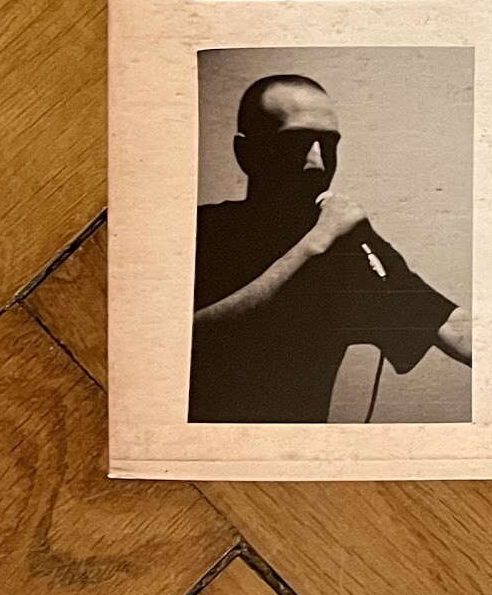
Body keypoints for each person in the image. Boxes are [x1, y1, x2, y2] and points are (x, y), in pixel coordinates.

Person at [189, 73, 471, 422]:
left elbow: (448, 324)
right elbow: (180, 343)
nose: (318, 162)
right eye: (297, 143)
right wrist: (315, 244)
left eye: (328, 144)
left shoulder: (345, 246)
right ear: (246, 153)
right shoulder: (202, 229)